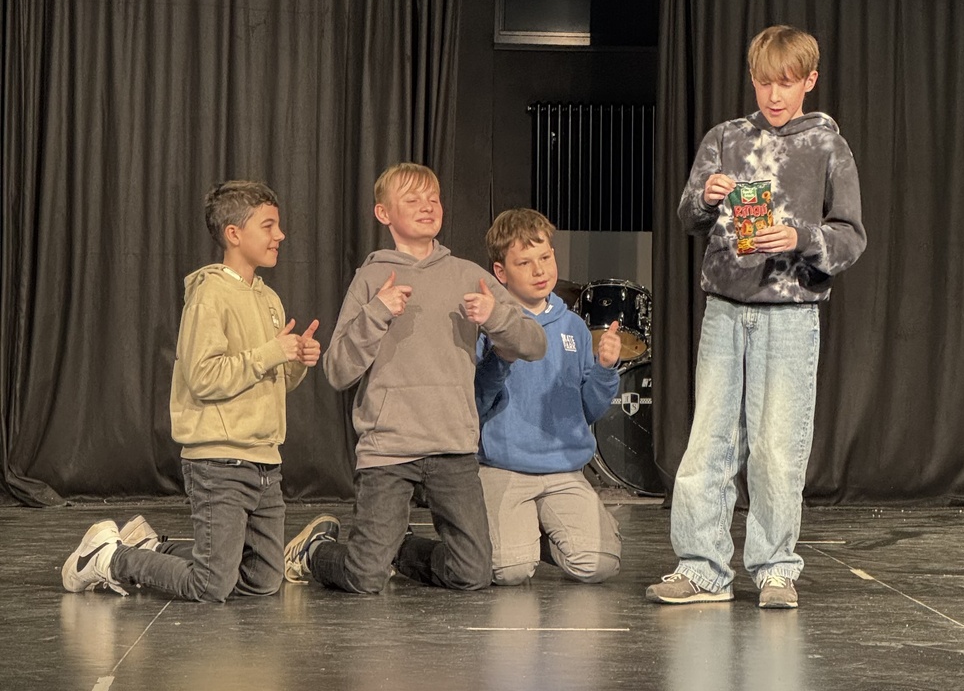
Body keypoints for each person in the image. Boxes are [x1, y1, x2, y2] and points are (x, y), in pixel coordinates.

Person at [646, 25, 866, 609]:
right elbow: (688, 216)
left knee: (777, 447)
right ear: (752, 79)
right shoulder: (725, 138)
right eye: (765, 82)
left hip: (789, 314)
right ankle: (702, 567)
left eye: (786, 83)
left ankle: (774, 569)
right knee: (709, 440)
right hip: (725, 309)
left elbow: (851, 237)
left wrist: (800, 237)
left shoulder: (827, 146)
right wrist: (705, 197)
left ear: (809, 81)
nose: (774, 95)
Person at [283, 163, 547, 594]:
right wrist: (377, 312)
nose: (427, 207)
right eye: (412, 200)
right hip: (388, 450)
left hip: (452, 447)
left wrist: (496, 317)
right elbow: (337, 370)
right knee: (365, 578)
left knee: (473, 573)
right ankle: (316, 552)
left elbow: (535, 344)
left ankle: (399, 550)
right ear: (383, 213)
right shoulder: (372, 278)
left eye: (433, 199)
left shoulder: (468, 275)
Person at [61, 180, 321, 601]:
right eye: (268, 226)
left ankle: (150, 549)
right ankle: (110, 558)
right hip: (219, 461)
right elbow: (203, 377)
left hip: (264, 463)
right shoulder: (210, 294)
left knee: (262, 581)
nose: (281, 235)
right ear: (234, 234)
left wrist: (295, 361)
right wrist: (271, 352)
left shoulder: (269, 299)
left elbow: (275, 381)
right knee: (211, 584)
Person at [474, 208, 623, 585]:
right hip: (504, 467)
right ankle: (520, 537)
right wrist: (500, 357)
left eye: (545, 257)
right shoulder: (487, 325)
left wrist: (605, 369)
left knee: (599, 565)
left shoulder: (573, 326)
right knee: (509, 571)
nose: (539, 270)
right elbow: (475, 403)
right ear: (501, 272)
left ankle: (546, 533)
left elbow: (588, 409)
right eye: (524, 263)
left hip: (563, 470)